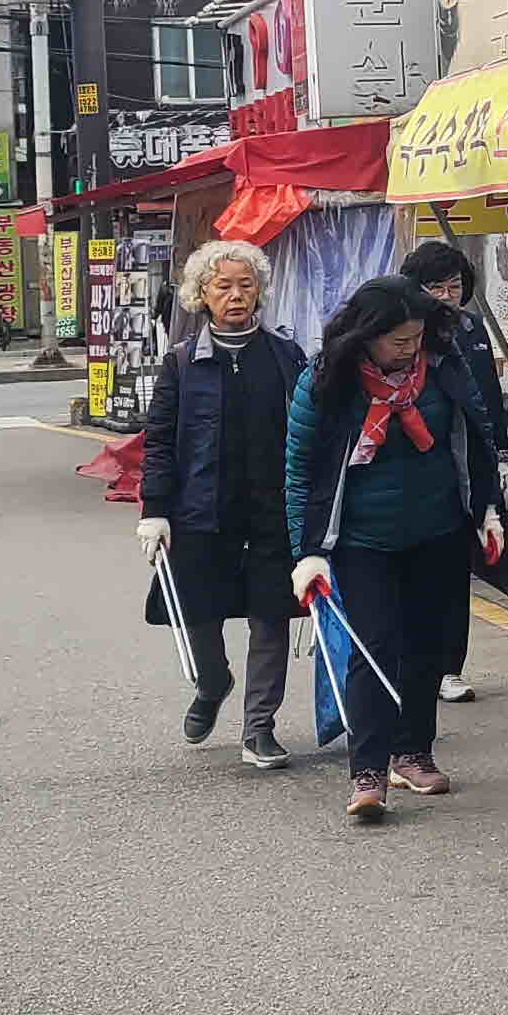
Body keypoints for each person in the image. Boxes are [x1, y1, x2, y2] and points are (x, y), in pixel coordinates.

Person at [285, 275, 507, 824]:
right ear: (366, 335)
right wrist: (306, 550)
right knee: (375, 646)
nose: (412, 351)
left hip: (438, 529)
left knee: (431, 645)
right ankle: (368, 768)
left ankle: (414, 750)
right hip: (363, 538)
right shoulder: (326, 381)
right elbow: (298, 470)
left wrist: (487, 509)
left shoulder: (444, 367)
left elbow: (477, 436)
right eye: (399, 342)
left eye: (418, 339)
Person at [135, 240, 306, 769]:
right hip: (200, 514)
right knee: (197, 616)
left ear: (260, 291)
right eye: (223, 286)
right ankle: (213, 685)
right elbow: (160, 439)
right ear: (201, 295)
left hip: (271, 512)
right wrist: (154, 510)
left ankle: (260, 728)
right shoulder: (183, 363)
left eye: (246, 284)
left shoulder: (286, 356)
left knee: (270, 618)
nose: (236, 295)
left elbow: (307, 435)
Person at [399, 237, 508, 707]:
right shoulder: (403, 333)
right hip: (419, 464)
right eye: (436, 287)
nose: (447, 296)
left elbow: (488, 396)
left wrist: (499, 452)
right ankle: (414, 660)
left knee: (456, 572)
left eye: (454, 285)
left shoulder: (475, 328)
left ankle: (450, 667)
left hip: (466, 464)